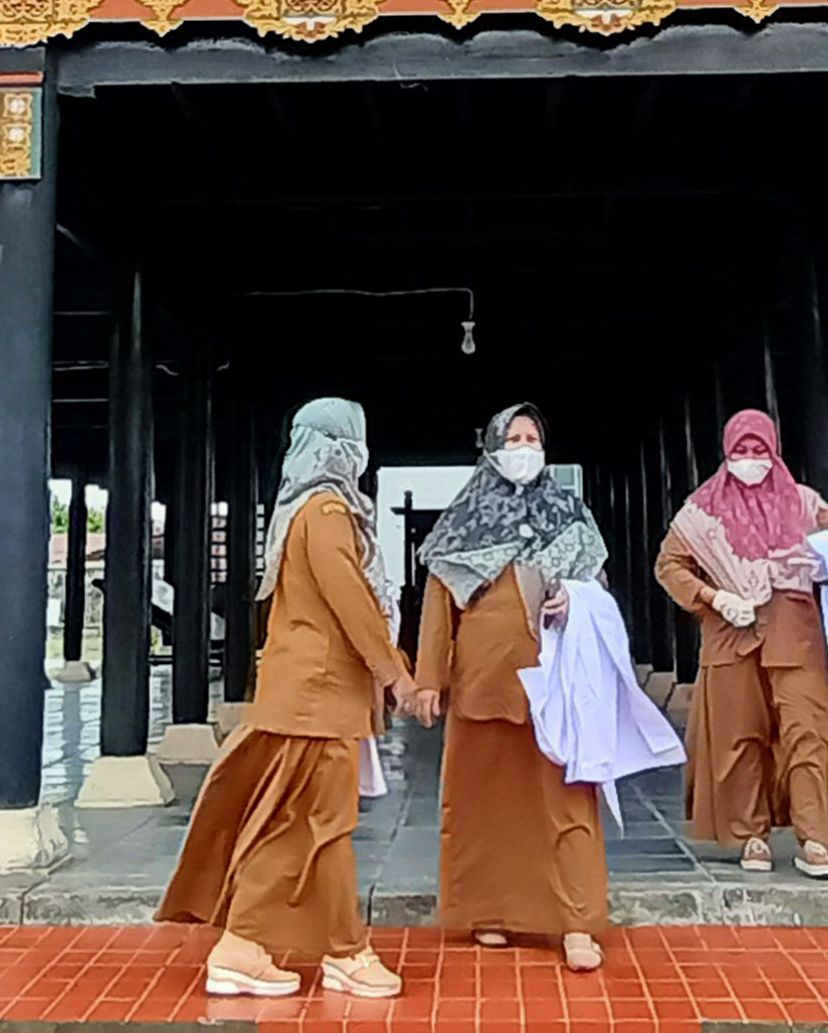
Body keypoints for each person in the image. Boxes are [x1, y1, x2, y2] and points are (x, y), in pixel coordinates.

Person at [157, 398, 421, 1001]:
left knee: (304, 824)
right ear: (342, 448)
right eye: (356, 441)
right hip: (318, 698)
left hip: (306, 695)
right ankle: (305, 949)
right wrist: (396, 674)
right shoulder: (328, 512)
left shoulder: (303, 509)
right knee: (315, 826)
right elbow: (351, 603)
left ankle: (292, 949)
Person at [409, 403, 611, 971]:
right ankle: (489, 912)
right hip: (482, 684)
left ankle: (576, 922)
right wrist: (430, 680)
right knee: (483, 805)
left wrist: (578, 598)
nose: (523, 447)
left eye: (533, 438)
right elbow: (437, 607)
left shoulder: (571, 515)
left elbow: (599, 589)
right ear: (492, 448)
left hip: (558, 686)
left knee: (567, 803)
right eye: (513, 438)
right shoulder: (462, 519)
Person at [654, 408, 828, 878]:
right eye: (740, 450)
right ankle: (752, 837)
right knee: (738, 737)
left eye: (759, 450)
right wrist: (712, 597)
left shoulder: (803, 504)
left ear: (774, 451)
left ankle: (814, 838)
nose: (750, 458)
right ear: (726, 453)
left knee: (807, 731)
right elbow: (669, 564)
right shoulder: (701, 511)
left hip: (793, 635)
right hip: (730, 637)